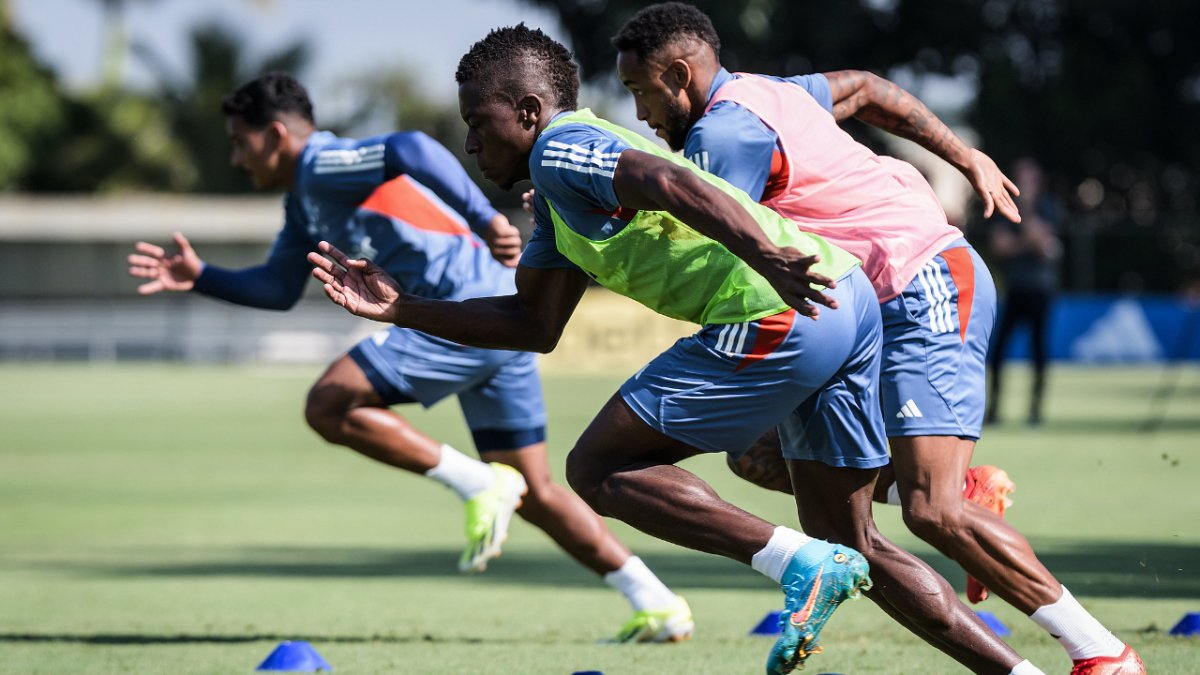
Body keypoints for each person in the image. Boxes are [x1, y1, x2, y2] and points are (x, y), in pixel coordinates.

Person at [309, 24, 1042, 675]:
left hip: (780, 308)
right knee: (862, 546)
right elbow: (533, 324)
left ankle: (800, 563)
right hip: (839, 300)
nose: (470, 143)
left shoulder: (563, 149)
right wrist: (402, 307)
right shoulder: (559, 197)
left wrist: (765, 253)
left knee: (596, 466)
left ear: (529, 113)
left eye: (478, 123)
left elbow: (662, 179)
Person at [609, 4, 1142, 674]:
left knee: (931, 510)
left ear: (679, 74)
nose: (639, 112)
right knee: (763, 464)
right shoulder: (772, 90)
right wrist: (962, 152)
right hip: (855, 310)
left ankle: (1102, 652)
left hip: (922, 282)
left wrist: (590, 206)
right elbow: (864, 86)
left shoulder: (725, 134)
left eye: (639, 90)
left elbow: (708, 241)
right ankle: (971, 514)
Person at [125, 72, 694, 644]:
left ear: (275, 135)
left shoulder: (321, 164)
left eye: (239, 142)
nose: (235, 158)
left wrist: (485, 216)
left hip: (456, 311)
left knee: (329, 404)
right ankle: (656, 601)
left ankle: (476, 483)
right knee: (535, 490)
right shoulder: (303, 203)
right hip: (495, 317)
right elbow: (277, 287)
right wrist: (199, 276)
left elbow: (412, 148)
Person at [986, 158, 1063, 427]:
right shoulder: (1004, 207)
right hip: (1014, 290)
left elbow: (1044, 244)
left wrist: (1027, 211)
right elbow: (1000, 247)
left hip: (1041, 291)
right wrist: (1026, 243)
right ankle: (994, 409)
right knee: (997, 353)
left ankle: (1035, 410)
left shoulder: (1048, 207)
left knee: (1038, 352)